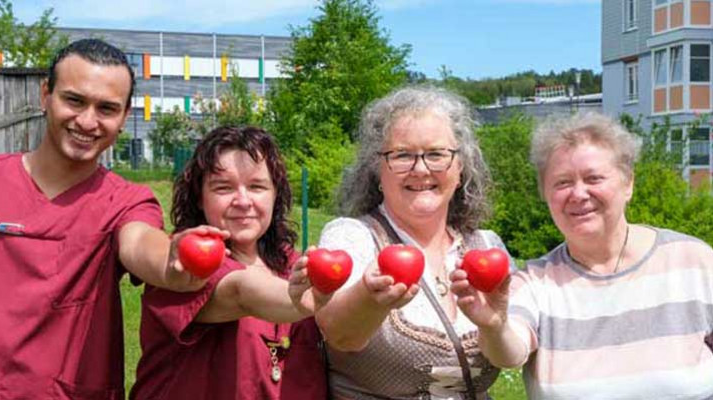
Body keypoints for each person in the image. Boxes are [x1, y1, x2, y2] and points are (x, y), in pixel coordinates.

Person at [0, 39, 213, 398]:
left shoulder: (127, 200)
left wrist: (173, 261)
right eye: (74, 100)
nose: (88, 121)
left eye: (106, 108)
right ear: (46, 96)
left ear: (124, 116)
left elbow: (139, 242)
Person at [451, 112, 713, 399]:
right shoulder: (536, 281)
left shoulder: (694, 261)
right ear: (545, 194)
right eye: (562, 183)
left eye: (594, 178)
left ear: (628, 184)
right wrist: (494, 326)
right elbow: (509, 354)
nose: (578, 193)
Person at [315, 86, 514, 400]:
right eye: (402, 155)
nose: (420, 169)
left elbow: (509, 356)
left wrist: (495, 325)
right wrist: (368, 297)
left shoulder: (485, 246)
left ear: (461, 167)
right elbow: (340, 333)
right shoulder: (352, 237)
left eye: (436, 154)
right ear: (378, 170)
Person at [130, 126, 328, 400]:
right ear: (200, 197)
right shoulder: (185, 263)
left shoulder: (292, 263)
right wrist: (295, 298)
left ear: (275, 195)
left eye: (257, 186)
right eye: (223, 187)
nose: (243, 201)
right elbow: (241, 291)